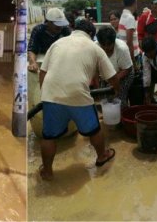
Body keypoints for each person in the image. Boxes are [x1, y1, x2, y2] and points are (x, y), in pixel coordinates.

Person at [38, 20, 119, 180]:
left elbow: (42, 72)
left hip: (50, 93)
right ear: (91, 34)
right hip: (78, 93)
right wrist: (115, 90)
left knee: (48, 136)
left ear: (74, 30)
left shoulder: (58, 43)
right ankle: (102, 156)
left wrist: (45, 96)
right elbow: (112, 77)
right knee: (94, 129)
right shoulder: (94, 47)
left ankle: (47, 171)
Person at [96, 26, 134, 109]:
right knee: (104, 98)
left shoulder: (121, 49)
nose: (106, 48)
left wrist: (113, 81)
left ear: (114, 41)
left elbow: (127, 69)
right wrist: (98, 87)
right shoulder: (95, 47)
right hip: (107, 75)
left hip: (124, 73)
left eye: (109, 45)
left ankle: (123, 116)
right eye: (103, 45)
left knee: (118, 98)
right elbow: (95, 71)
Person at [28, 8, 71, 72]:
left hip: (60, 58)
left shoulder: (65, 30)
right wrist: (32, 62)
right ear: (49, 22)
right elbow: (32, 49)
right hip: (42, 57)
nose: (60, 27)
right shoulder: (38, 30)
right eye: (57, 24)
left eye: (61, 24)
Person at [118, 0, 141, 70]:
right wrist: (134, 64)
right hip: (132, 56)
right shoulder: (130, 18)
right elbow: (129, 42)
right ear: (135, 2)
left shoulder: (123, 15)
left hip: (125, 54)